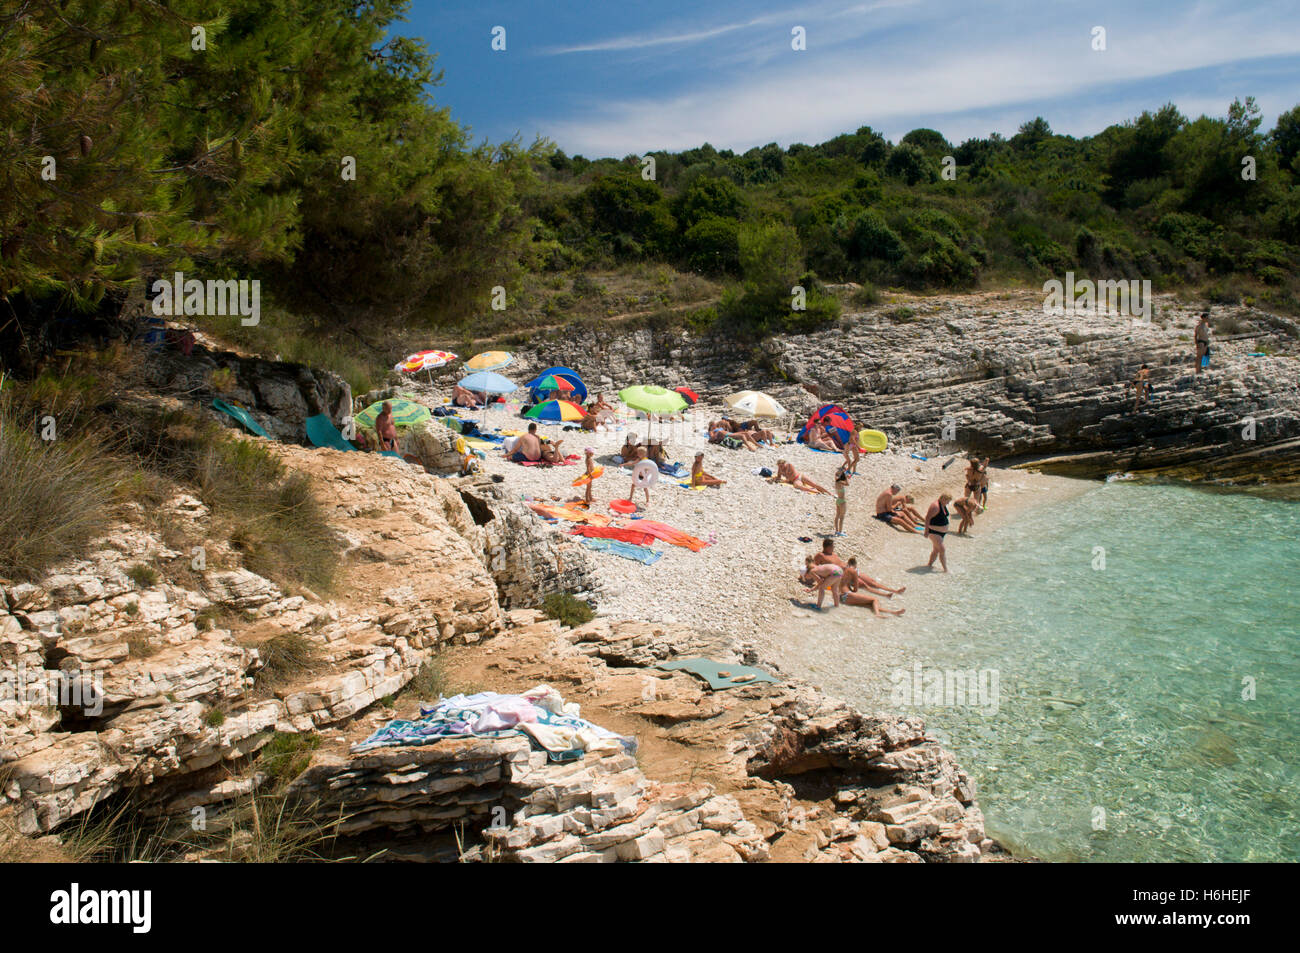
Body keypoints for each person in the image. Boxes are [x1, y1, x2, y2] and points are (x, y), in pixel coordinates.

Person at [925, 493, 953, 572]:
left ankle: (929, 565)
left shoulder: (942, 504)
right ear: (943, 499)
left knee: (936, 550)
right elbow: (927, 518)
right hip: (934, 532)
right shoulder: (935, 506)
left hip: (940, 533)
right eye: (948, 501)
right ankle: (945, 570)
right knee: (942, 550)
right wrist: (926, 531)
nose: (948, 503)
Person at [840, 588, 906, 617]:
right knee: (874, 600)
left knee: (871, 605)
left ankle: (893, 612)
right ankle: (877, 614)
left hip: (843, 599)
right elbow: (855, 589)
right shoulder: (850, 572)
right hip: (847, 595)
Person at [833, 465, 850, 535]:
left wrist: (843, 474)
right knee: (842, 517)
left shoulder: (837, 482)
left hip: (838, 500)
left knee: (837, 516)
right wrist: (846, 476)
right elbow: (848, 484)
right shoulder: (840, 482)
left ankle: (837, 530)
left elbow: (837, 476)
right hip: (842, 501)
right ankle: (840, 531)